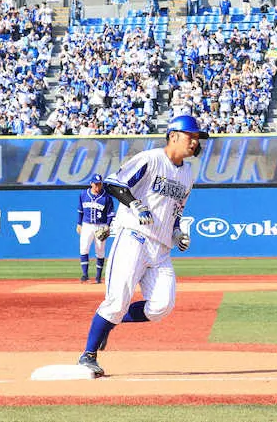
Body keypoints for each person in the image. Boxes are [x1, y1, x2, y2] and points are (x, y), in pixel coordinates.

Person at [77, 114, 208, 377]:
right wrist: (135, 204)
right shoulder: (151, 159)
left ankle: (109, 323)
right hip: (134, 238)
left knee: (161, 306)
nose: (195, 142)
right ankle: (88, 355)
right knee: (116, 301)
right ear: (173, 136)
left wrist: (177, 233)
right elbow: (113, 183)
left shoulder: (188, 174)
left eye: (197, 138)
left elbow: (176, 212)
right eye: (191, 136)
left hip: (161, 250)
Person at [77, 173, 116, 283]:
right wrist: (79, 224)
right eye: (96, 184)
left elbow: (110, 214)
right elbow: (80, 210)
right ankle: (85, 275)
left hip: (101, 226)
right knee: (84, 248)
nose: (98, 186)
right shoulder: (83, 194)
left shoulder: (106, 197)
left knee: (100, 251)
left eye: (99, 184)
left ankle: (98, 277)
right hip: (87, 225)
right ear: (91, 183)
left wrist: (107, 225)